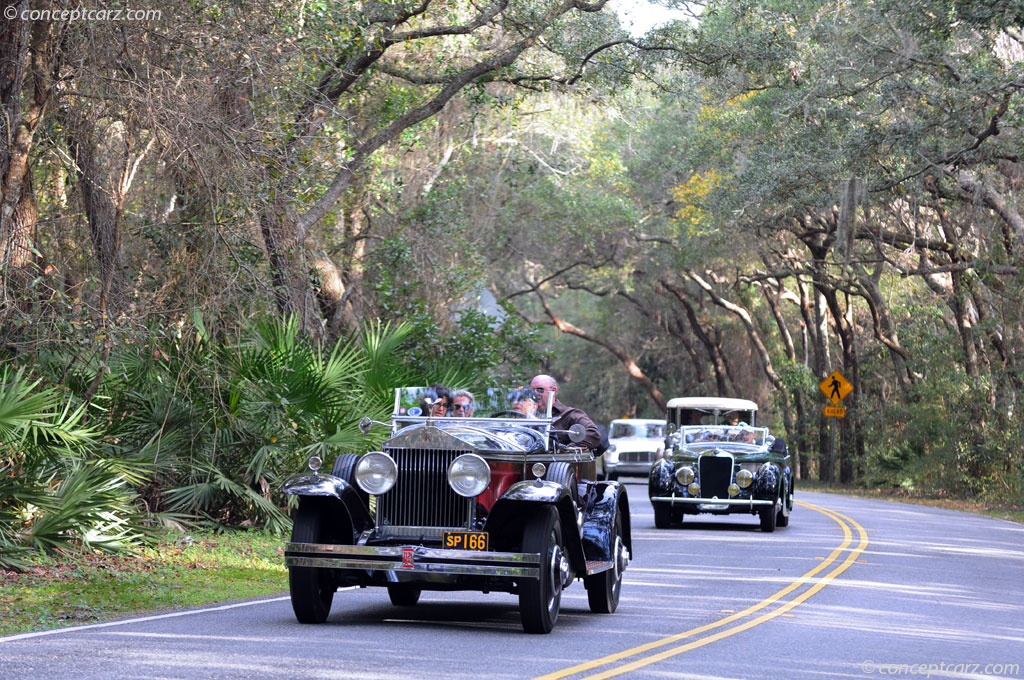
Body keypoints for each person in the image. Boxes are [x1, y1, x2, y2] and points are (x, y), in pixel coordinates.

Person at [529, 374, 602, 450]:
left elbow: (593, 433)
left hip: (558, 461)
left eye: (540, 390)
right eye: (532, 390)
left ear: (553, 391)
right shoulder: (527, 417)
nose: (535, 393)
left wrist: (566, 449)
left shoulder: (570, 415)